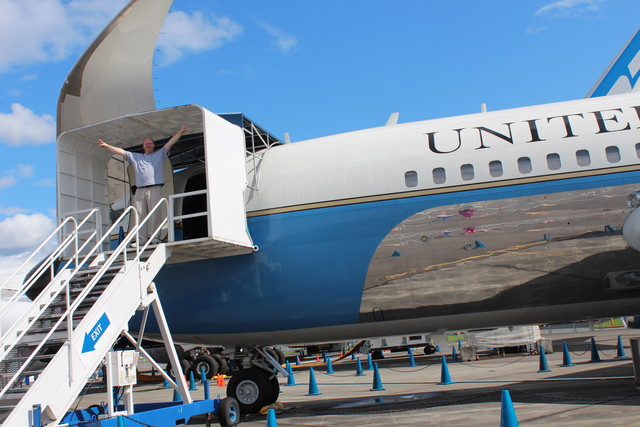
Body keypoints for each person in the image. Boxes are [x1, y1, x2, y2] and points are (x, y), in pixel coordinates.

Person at [97, 124, 189, 245]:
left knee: (155, 214)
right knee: (139, 216)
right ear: (143, 146)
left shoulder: (159, 154)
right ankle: (141, 240)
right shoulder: (136, 157)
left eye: (150, 143)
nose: (148, 145)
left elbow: (170, 143)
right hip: (140, 190)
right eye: (146, 143)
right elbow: (121, 151)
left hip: (154, 188)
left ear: (153, 145)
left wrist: (180, 132)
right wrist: (106, 146)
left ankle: (155, 238)